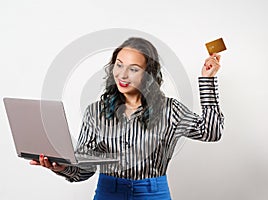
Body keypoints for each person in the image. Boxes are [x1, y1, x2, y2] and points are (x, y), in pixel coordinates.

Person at [30, 37, 224, 200]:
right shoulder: (96, 112)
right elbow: (85, 169)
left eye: (133, 69)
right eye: (119, 65)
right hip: (108, 193)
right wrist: (62, 167)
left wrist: (207, 79)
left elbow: (212, 131)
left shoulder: (169, 110)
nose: (122, 75)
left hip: (153, 194)